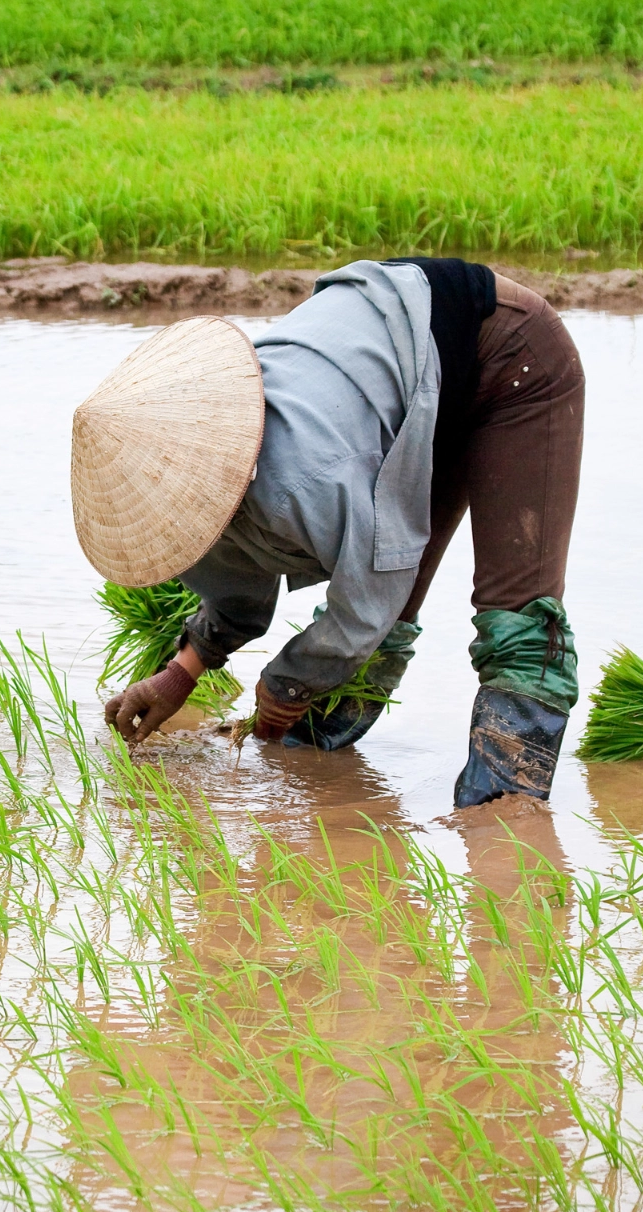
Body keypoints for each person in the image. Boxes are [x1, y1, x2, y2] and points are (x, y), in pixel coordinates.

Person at [69, 258, 585, 808]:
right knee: (373, 622)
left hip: (509, 358)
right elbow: (238, 585)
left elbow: (369, 602)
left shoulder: (303, 479)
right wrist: (181, 672)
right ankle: (318, 781)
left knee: (518, 627)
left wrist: (285, 682)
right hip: (414, 384)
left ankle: (507, 832)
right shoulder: (197, 489)